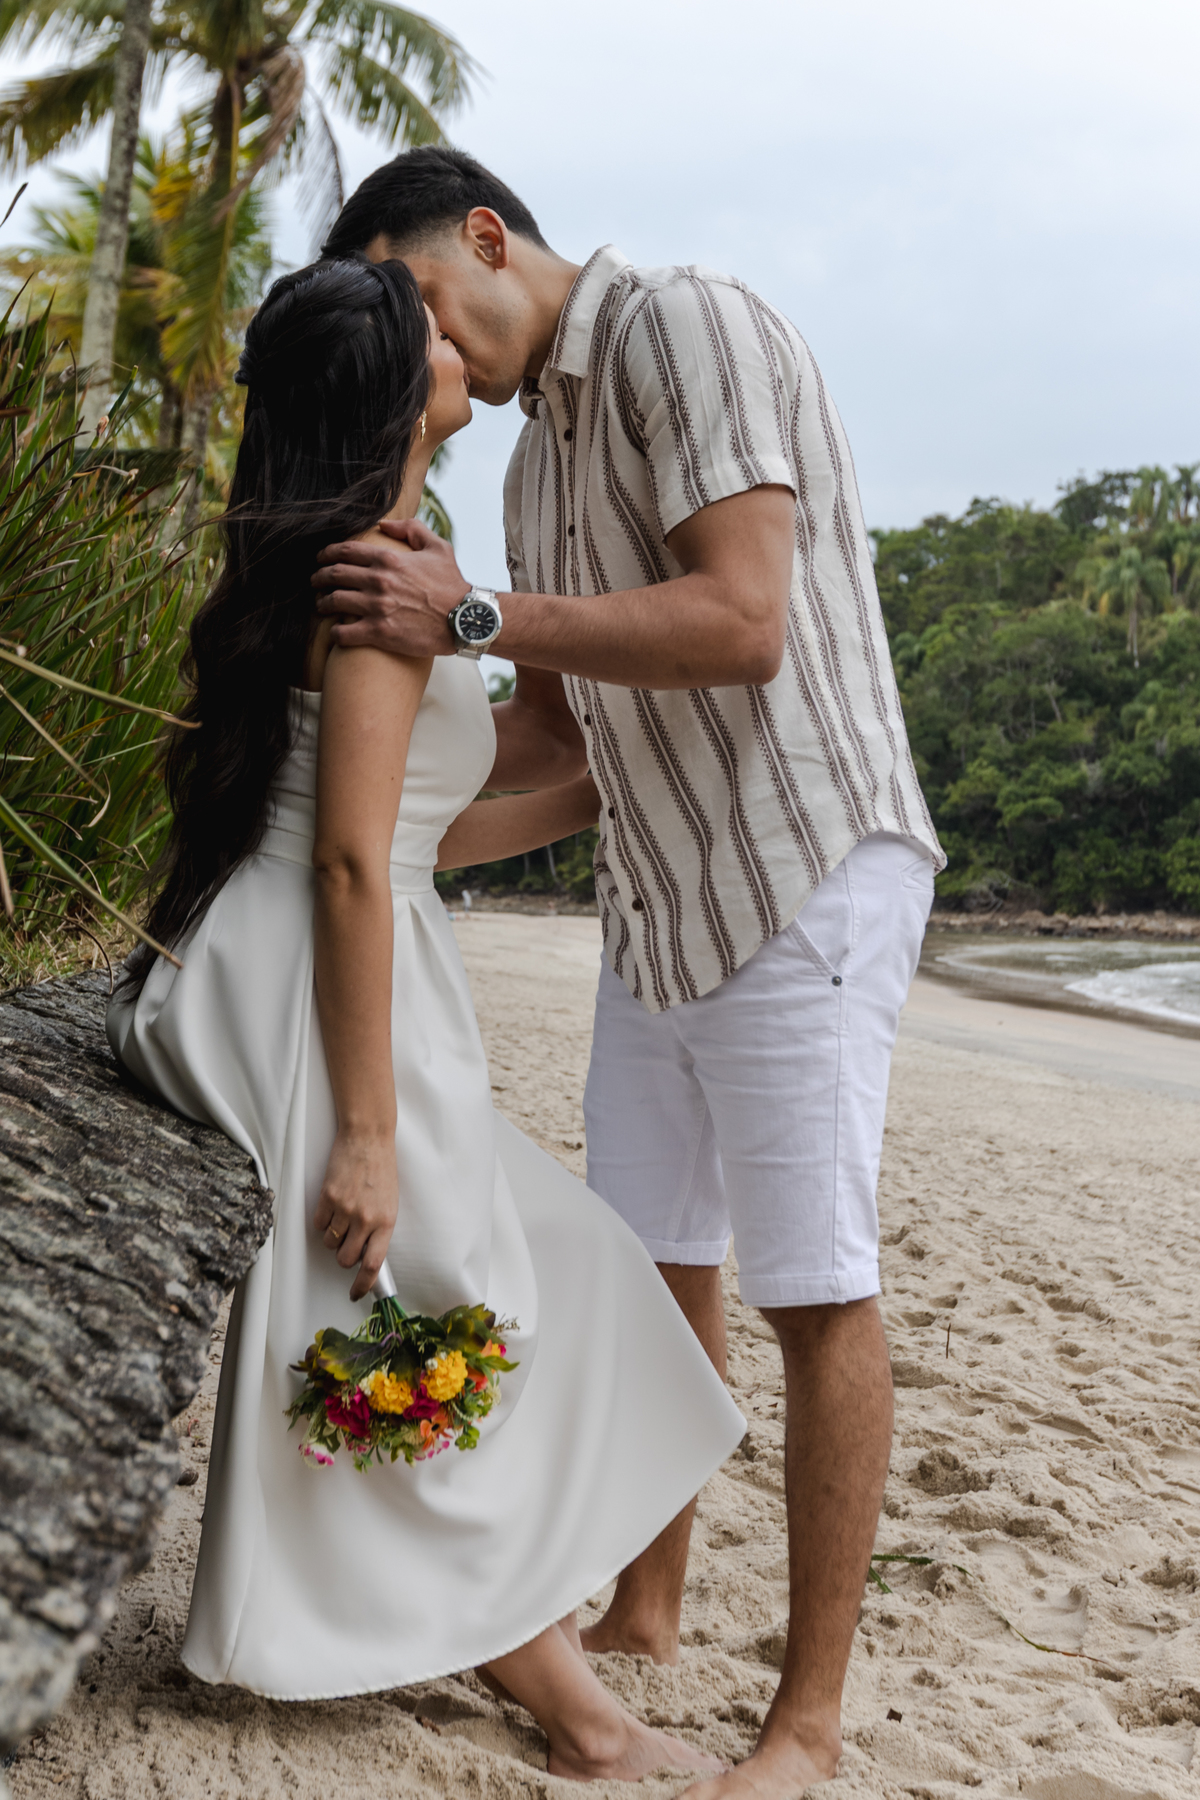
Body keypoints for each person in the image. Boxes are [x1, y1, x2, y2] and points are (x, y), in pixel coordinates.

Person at [314, 149, 946, 1799]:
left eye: (425, 304)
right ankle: (651, 1607)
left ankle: (804, 1723)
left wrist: (468, 619)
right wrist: (349, 848)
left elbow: (743, 620)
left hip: (803, 866)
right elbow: (553, 737)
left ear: (487, 235)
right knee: (663, 1255)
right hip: (662, 896)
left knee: (818, 1285)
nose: (427, 350)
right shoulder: (535, 476)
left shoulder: (683, 324)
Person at [106, 255, 745, 1783]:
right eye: (424, 333)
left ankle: (548, 1621)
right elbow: (341, 859)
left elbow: (393, 833)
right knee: (407, 1303)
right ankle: (580, 1720)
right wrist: (370, 1133)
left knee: (564, 1265)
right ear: (395, 393)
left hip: (330, 941)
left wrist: (582, 791)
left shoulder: (389, 558)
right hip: (314, 972)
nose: (455, 334)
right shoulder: (376, 579)